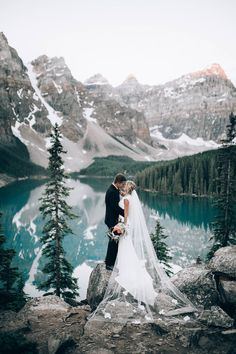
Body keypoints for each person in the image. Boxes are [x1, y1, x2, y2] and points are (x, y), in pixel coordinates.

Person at [89, 180, 198, 324]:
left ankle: (123, 267)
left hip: (124, 225)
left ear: (128, 188)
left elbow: (126, 216)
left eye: (125, 186)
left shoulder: (127, 200)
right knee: (124, 249)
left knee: (125, 248)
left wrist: (122, 226)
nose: (123, 188)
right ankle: (120, 264)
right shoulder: (128, 197)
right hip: (123, 224)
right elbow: (124, 205)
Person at [104, 173, 127, 270]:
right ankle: (109, 264)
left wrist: (120, 193)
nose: (123, 186)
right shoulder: (112, 192)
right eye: (122, 184)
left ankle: (108, 261)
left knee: (113, 240)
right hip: (111, 220)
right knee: (114, 241)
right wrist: (126, 213)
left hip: (111, 218)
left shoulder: (113, 189)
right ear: (118, 182)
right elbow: (115, 208)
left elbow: (114, 201)